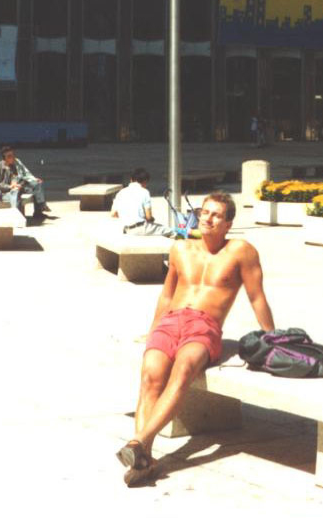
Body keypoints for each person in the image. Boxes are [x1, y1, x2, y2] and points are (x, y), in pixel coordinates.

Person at [116, 192, 275, 487]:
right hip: (171, 321)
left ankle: (138, 442)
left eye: (216, 215)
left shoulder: (242, 251)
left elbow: (257, 297)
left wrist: (273, 339)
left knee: (185, 368)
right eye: (204, 212)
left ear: (228, 223)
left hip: (204, 326)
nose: (207, 219)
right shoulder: (181, 249)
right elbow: (166, 295)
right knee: (150, 374)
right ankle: (144, 458)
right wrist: (153, 332)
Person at [0, 145, 51, 218]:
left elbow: (23, 175)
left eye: (13, 155)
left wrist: (34, 179)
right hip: (4, 192)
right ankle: (18, 216)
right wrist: (11, 186)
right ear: (4, 158)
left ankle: (39, 210)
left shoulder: (15, 164)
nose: (12, 158)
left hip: (17, 187)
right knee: (16, 192)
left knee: (37, 184)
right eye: (10, 156)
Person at [111, 168, 171, 236]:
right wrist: (151, 219)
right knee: (170, 231)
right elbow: (148, 217)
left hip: (126, 230)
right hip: (141, 228)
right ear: (145, 181)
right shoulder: (144, 192)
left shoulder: (120, 193)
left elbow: (113, 214)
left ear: (131, 179)